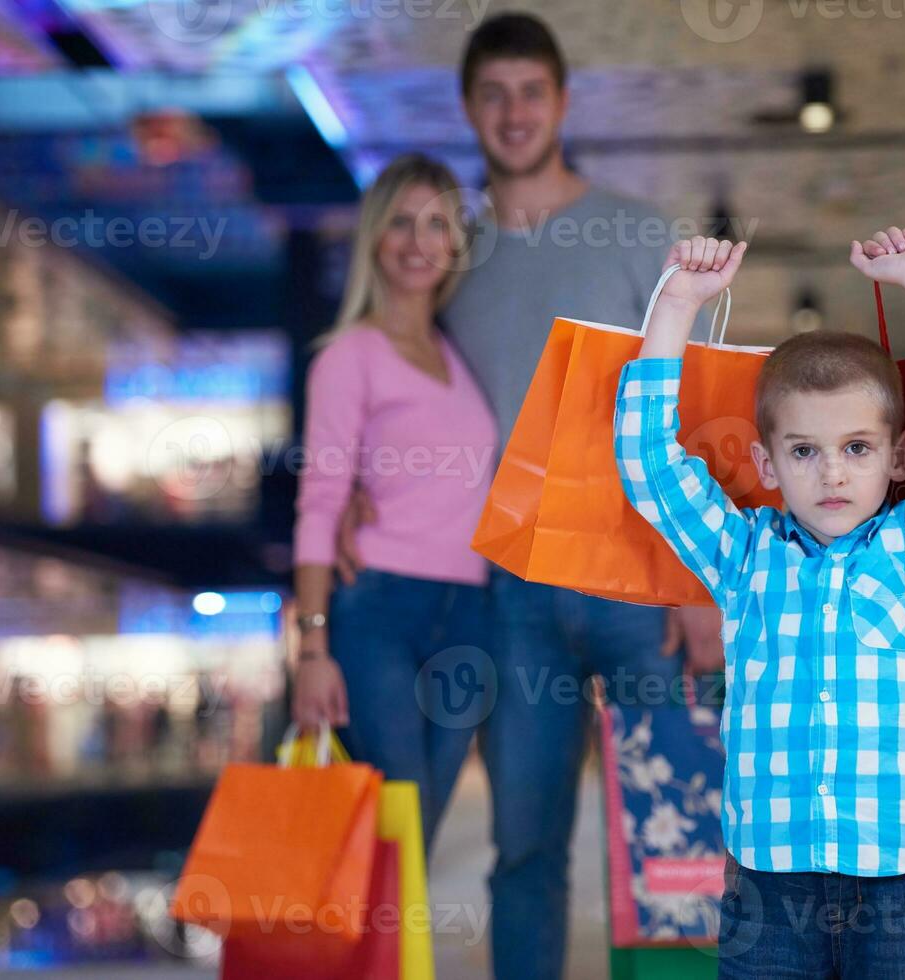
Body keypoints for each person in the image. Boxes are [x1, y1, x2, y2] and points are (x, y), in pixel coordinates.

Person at [332, 15, 722, 978]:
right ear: (468, 108)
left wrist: (698, 579)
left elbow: (702, 417)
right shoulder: (451, 255)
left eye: (531, 91)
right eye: (493, 94)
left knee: (681, 840)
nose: (513, 113)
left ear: (563, 101)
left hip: (640, 585)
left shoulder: (640, 234)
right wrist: (349, 494)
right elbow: (401, 387)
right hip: (509, 595)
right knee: (525, 852)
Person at [616, 229, 905, 977]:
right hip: (767, 893)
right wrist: (676, 304)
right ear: (765, 464)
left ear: (898, 456)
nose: (831, 473)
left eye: (857, 447)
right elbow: (647, 463)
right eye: (803, 451)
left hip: (904, 884)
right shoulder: (742, 558)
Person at [290, 154, 497, 851]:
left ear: (456, 242)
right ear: (374, 238)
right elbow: (318, 503)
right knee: (391, 832)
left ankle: (391, 958)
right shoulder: (348, 356)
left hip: (467, 615)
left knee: (418, 834)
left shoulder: (455, 351)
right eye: (401, 223)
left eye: (437, 223)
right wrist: (311, 649)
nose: (418, 241)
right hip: (378, 611)